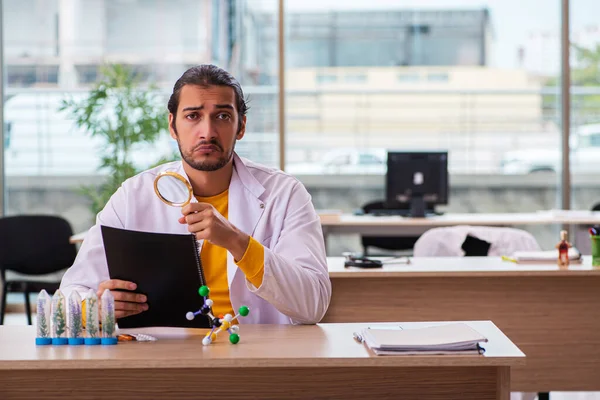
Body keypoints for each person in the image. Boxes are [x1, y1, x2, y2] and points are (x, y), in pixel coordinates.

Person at [60, 64, 331, 325]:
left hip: (255, 354)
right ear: (172, 125)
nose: (208, 132)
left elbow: (313, 305)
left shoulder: (284, 193)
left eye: (223, 116)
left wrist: (238, 242)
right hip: (163, 357)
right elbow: (71, 293)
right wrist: (97, 308)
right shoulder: (133, 196)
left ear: (241, 126)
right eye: (193, 116)